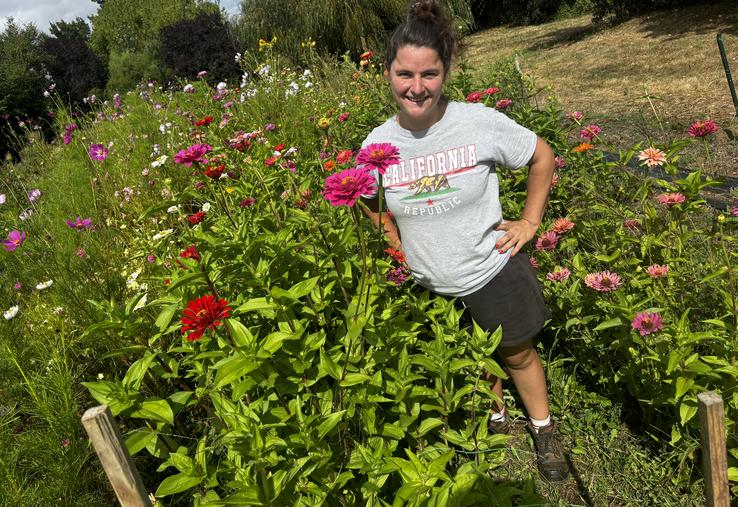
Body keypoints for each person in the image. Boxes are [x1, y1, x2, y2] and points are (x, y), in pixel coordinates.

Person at [359, 0, 569, 482]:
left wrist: (529, 223)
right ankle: (493, 419)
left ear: (445, 72)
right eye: (404, 73)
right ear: (388, 73)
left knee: (515, 352)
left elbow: (542, 156)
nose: (416, 87)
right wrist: (394, 246)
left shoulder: (476, 122)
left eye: (429, 74)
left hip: (490, 268)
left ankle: (543, 428)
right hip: (429, 282)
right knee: (471, 357)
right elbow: (366, 200)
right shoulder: (377, 144)